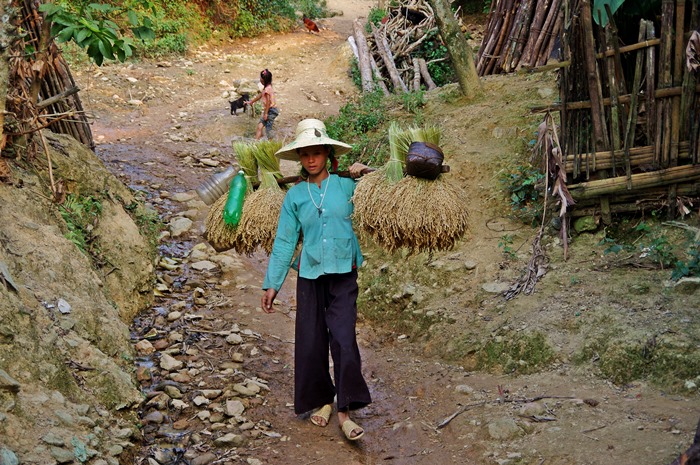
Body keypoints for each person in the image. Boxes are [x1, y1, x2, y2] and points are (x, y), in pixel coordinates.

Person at [261, 118, 371, 441]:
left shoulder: (347, 186)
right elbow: (284, 241)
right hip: (309, 275)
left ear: (327, 153)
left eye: (316, 153)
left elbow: (384, 192)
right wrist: (272, 284)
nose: (311, 160)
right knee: (311, 343)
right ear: (299, 159)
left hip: (343, 274)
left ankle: (344, 411)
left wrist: (365, 174)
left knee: (343, 338)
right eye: (305, 155)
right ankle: (323, 400)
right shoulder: (295, 197)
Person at [245, 69, 279, 140]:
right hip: (268, 110)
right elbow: (259, 95)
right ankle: (255, 143)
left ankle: (271, 144)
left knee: (268, 129)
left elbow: (268, 103)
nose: (259, 79)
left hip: (271, 110)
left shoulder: (267, 89)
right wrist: (251, 101)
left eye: (260, 78)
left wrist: (266, 114)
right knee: (259, 126)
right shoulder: (266, 88)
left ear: (264, 80)